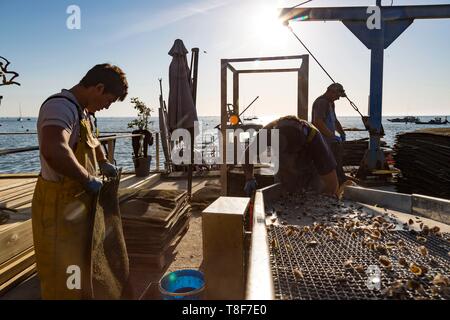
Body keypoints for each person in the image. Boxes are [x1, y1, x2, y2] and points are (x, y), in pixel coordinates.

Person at [32, 63, 128, 299]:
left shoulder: (83, 112)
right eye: (109, 100)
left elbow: (91, 143)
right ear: (98, 87)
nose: (107, 106)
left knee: (82, 272)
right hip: (57, 212)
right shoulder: (59, 107)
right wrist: (87, 178)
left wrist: (103, 161)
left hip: (78, 208)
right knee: (63, 278)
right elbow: (54, 148)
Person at [243, 115, 339, 197]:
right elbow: (247, 154)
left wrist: (324, 203)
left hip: (311, 174)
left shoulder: (314, 139)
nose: (291, 161)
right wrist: (249, 178)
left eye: (293, 153)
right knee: (282, 201)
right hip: (283, 173)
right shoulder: (268, 133)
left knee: (313, 199)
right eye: (287, 153)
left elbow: (332, 184)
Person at [312, 83, 347, 185]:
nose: (338, 98)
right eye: (337, 96)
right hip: (321, 142)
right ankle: (331, 187)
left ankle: (338, 185)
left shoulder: (330, 103)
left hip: (329, 142)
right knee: (327, 167)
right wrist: (332, 136)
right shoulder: (321, 102)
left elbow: (335, 121)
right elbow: (318, 122)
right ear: (331, 92)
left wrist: (342, 133)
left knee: (335, 165)